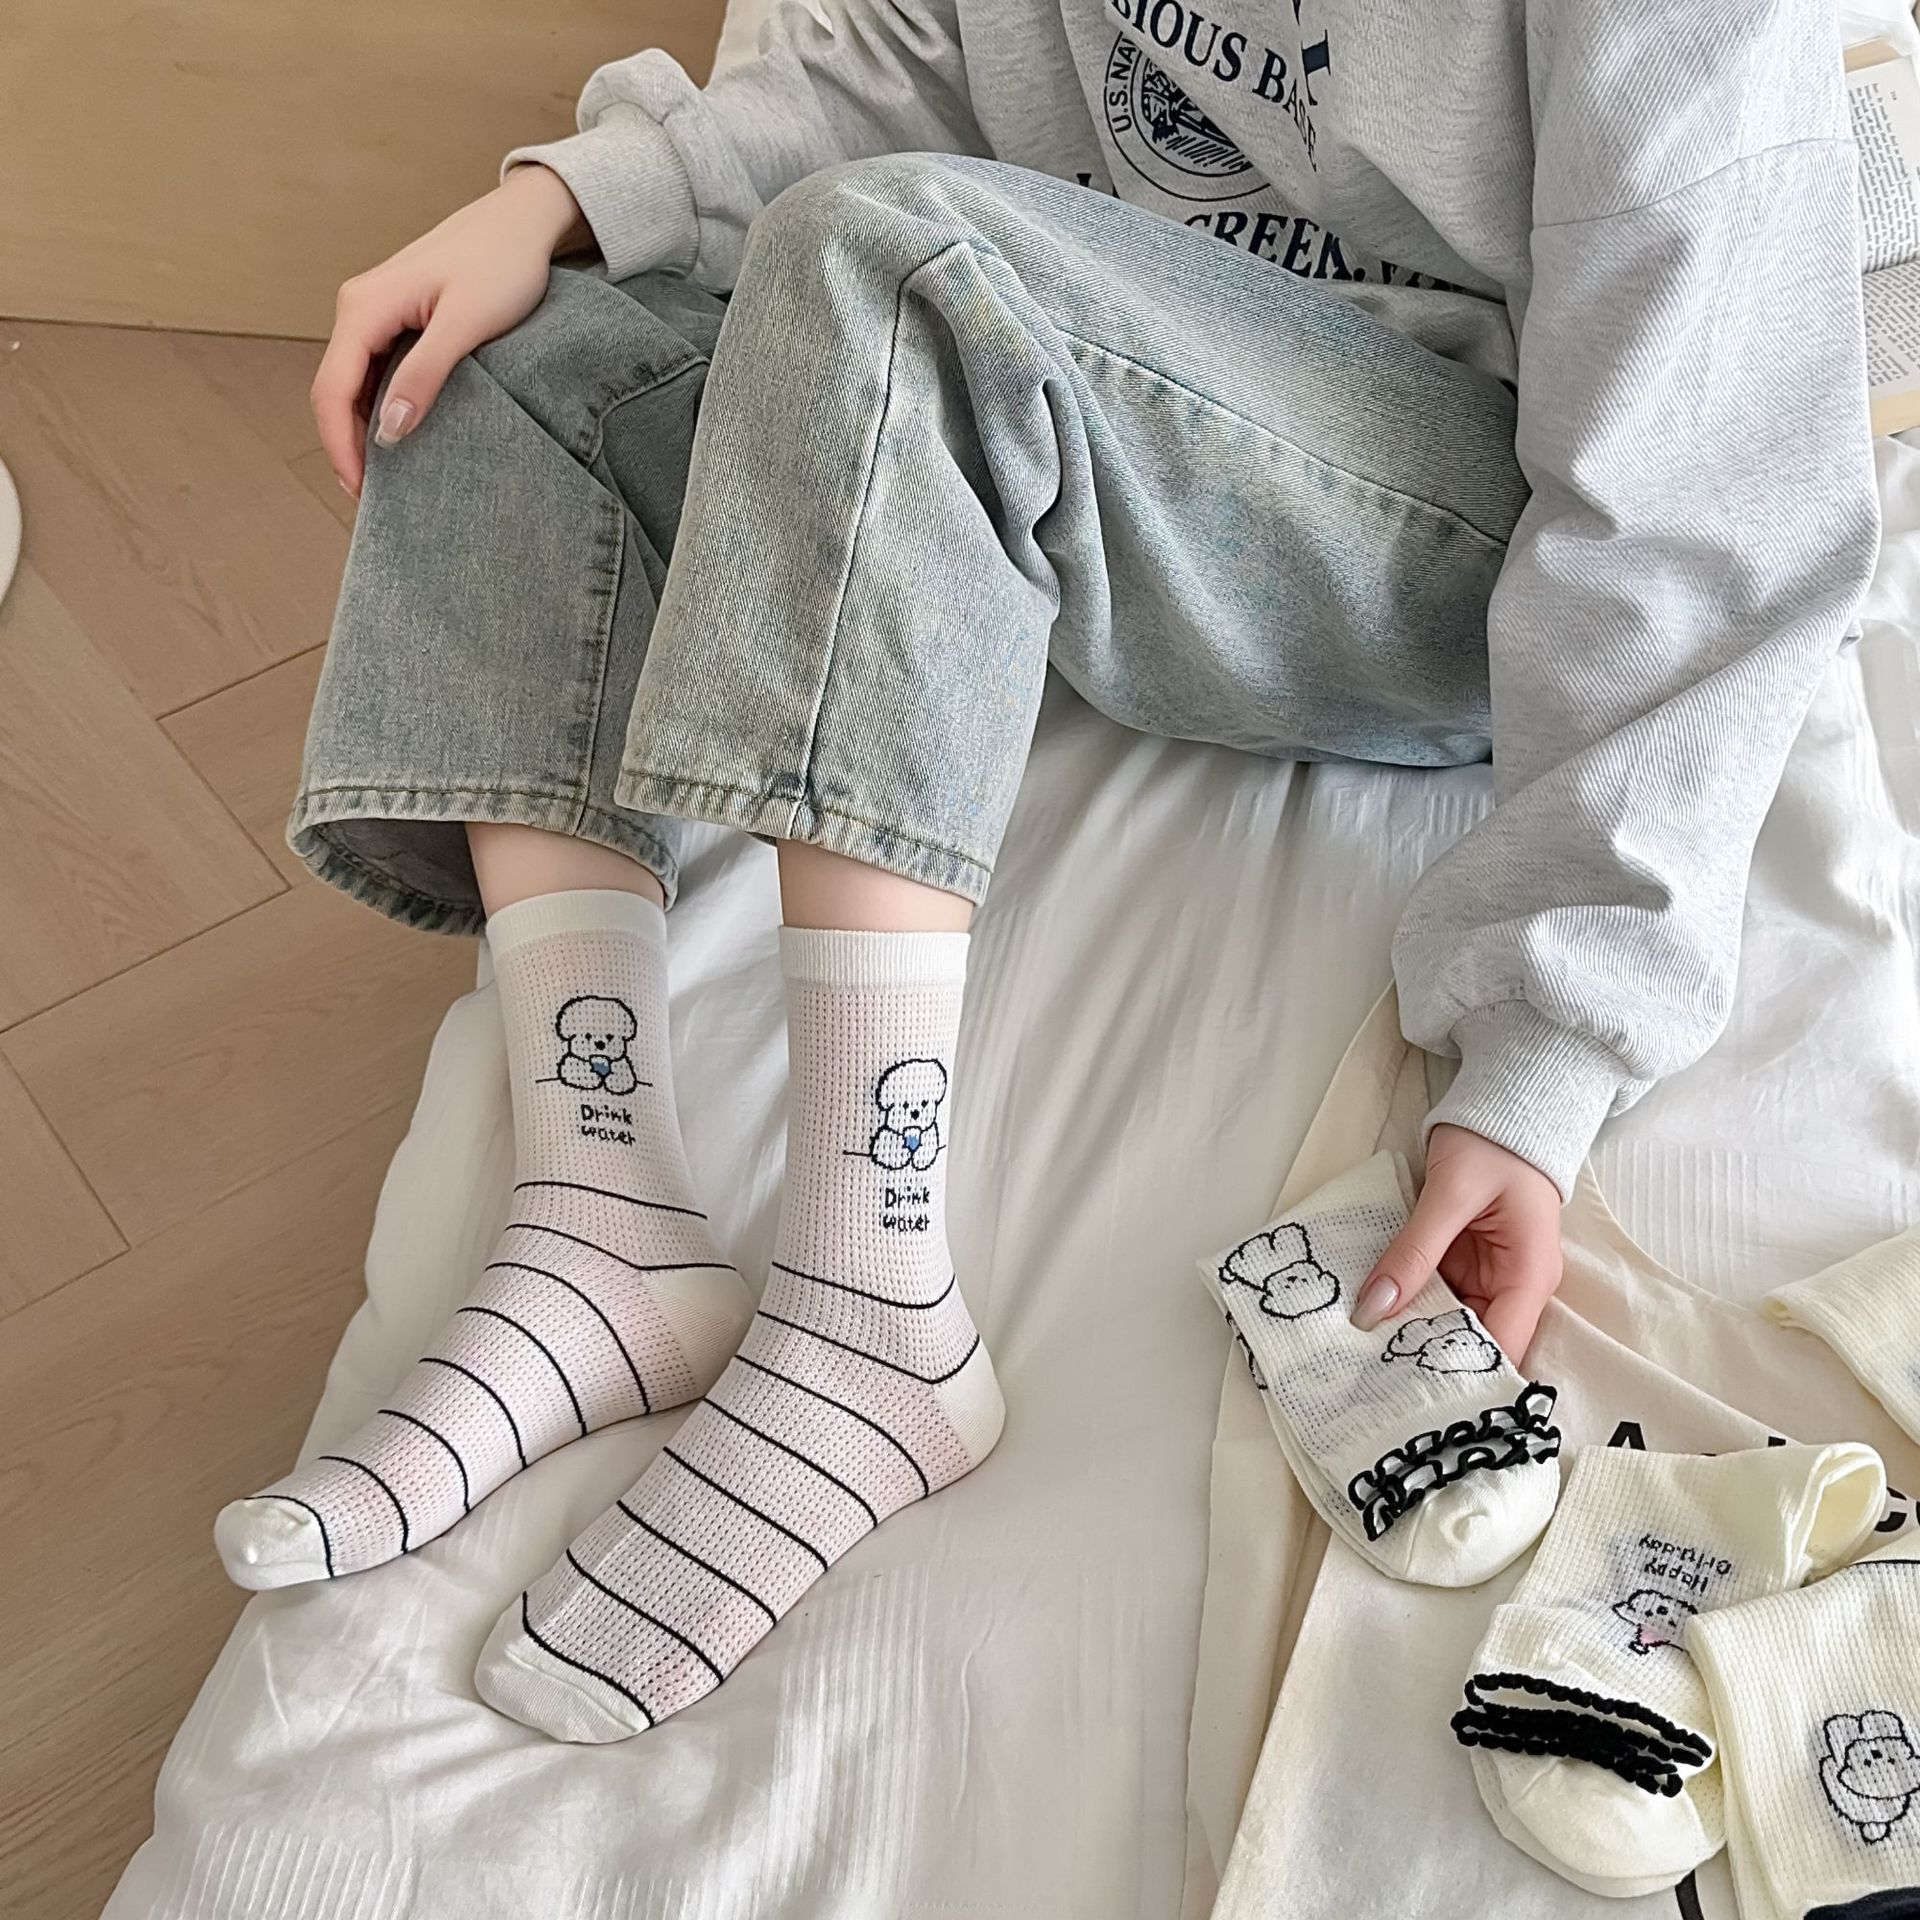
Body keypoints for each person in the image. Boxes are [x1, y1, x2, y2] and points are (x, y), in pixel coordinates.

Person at [211, 0, 1881, 1742]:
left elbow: (1700, 493)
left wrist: (1545, 1050)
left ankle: (869, 1310)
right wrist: (565, 198)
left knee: (896, 260)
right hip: (1112, 393)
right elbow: (921, 62)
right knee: (520, 344)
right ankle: (598, 1220)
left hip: (1446, 526)